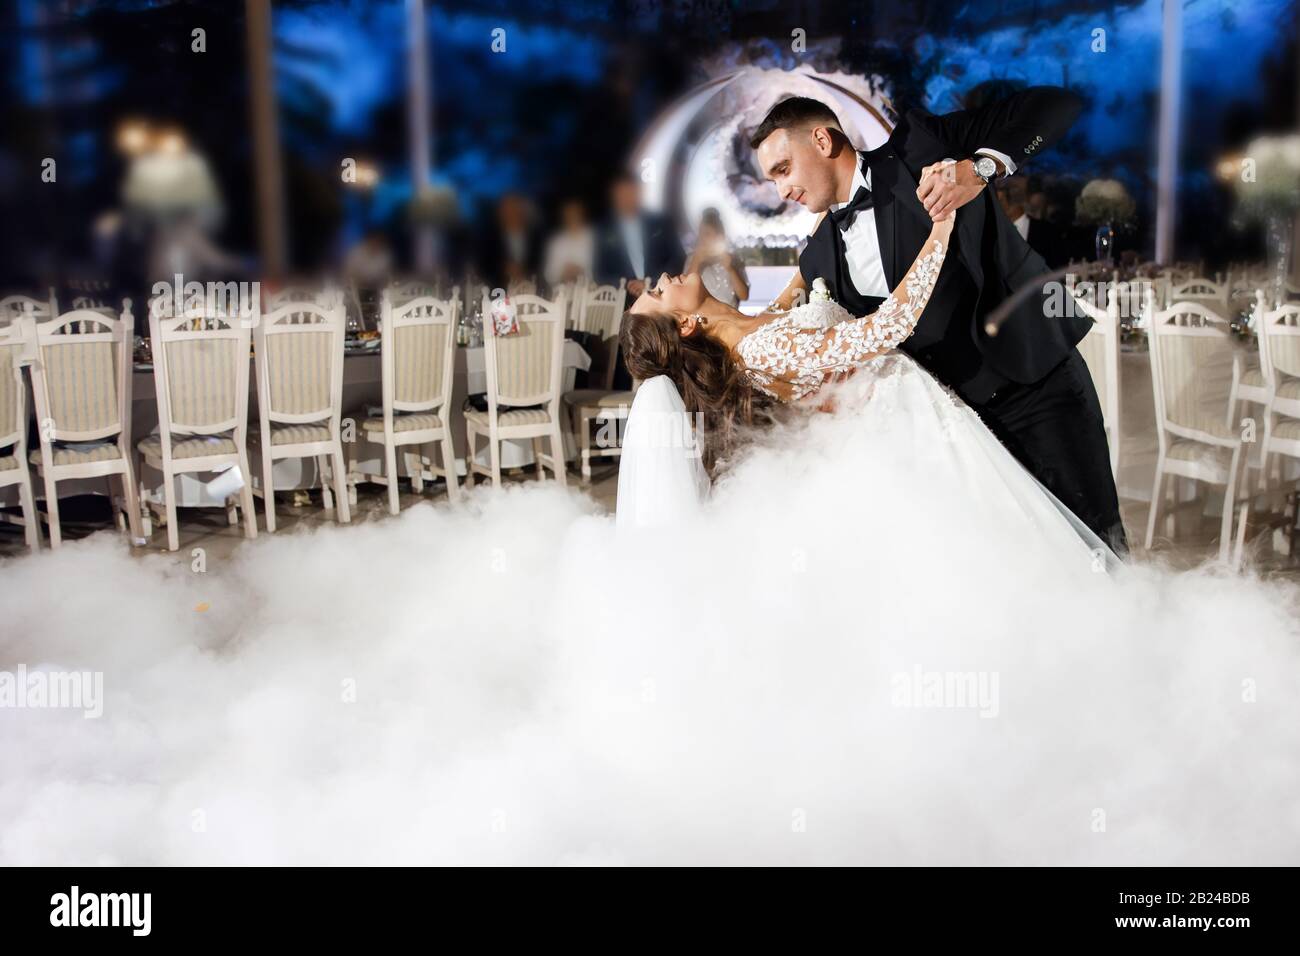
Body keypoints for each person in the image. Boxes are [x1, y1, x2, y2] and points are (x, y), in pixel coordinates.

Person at [749, 92, 1125, 552]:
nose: (781, 191)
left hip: (1036, 387)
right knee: (1022, 570)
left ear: (823, 141)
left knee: (1098, 548)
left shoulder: (920, 148)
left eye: (783, 170)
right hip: (961, 434)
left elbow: (1058, 107)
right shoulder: (819, 254)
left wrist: (980, 169)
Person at [595, 173, 685, 297]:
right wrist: (628, 285)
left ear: (639, 192)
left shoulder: (661, 223)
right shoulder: (604, 230)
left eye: (630, 192)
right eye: (621, 194)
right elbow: (600, 274)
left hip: (661, 299)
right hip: (623, 304)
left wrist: (651, 282)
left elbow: (677, 260)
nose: (626, 198)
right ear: (613, 196)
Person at [994, 176, 1069, 269]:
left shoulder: (1048, 232)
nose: (995, 207)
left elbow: (1059, 267)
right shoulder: (991, 231)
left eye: (1001, 202)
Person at [476, 193, 542, 290]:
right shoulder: (489, 238)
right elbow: (484, 266)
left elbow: (541, 263)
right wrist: (504, 269)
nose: (511, 213)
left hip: (531, 289)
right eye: (507, 210)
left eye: (515, 209)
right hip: (498, 291)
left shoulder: (535, 236)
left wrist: (523, 271)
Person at [685, 208, 748, 308]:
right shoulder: (693, 258)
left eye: (716, 234)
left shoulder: (733, 258)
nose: (711, 239)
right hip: (702, 318)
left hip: (729, 317)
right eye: (706, 234)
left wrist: (731, 269)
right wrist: (696, 262)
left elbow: (744, 296)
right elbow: (684, 292)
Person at [542, 198, 595, 288]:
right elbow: (548, 274)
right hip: (561, 293)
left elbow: (601, 270)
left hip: (589, 293)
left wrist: (581, 271)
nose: (572, 217)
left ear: (582, 214)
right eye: (568, 214)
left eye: (575, 213)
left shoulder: (593, 238)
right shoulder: (556, 241)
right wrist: (562, 272)